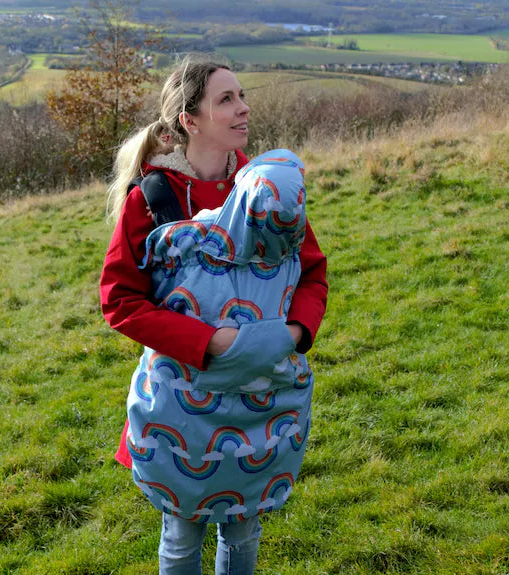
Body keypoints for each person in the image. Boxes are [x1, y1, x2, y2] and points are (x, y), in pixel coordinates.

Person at [100, 57, 328, 575]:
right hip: (183, 404)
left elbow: (312, 274)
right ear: (189, 120)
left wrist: (293, 333)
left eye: (242, 95)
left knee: (244, 526)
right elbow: (119, 300)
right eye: (226, 99)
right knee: (181, 533)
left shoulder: (270, 196)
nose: (244, 108)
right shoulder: (153, 198)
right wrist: (211, 342)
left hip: (260, 397)